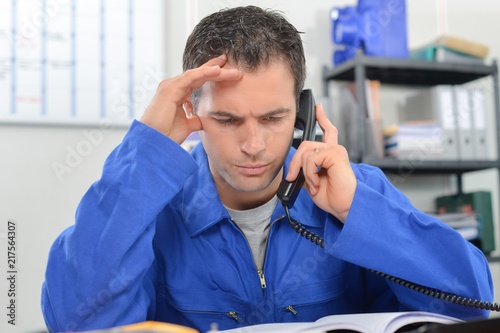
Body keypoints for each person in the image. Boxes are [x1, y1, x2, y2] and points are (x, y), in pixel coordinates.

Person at [41, 5, 493, 333]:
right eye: (227, 119)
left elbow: (470, 304)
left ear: (302, 114)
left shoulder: (354, 190)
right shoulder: (148, 204)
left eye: (273, 119)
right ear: (191, 111)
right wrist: (145, 153)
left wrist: (357, 212)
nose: (254, 146)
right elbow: (76, 322)